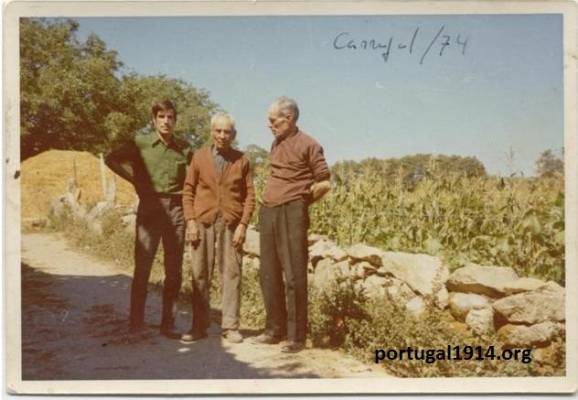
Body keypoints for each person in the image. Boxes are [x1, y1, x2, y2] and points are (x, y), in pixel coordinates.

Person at [105, 100, 191, 339]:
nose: (166, 121)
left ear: (176, 120)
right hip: (150, 209)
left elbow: (194, 178)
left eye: (170, 117)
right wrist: (136, 180)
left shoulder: (184, 148)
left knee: (174, 272)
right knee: (143, 268)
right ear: (154, 120)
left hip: (176, 211)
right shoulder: (140, 143)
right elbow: (111, 159)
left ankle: (168, 325)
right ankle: (136, 324)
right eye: (161, 116)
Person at [253, 97, 331, 353]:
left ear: (289, 119)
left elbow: (324, 182)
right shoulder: (276, 142)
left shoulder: (309, 144)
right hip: (269, 210)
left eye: (273, 121)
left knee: (294, 275)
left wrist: (302, 202)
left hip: (292, 211)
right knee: (268, 272)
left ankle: (296, 337)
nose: (269, 125)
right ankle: (274, 330)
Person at [181, 112, 255, 343]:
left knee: (231, 273)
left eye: (227, 131)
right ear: (211, 132)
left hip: (230, 222)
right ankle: (199, 325)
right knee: (200, 272)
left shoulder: (242, 160)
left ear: (234, 134)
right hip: (203, 220)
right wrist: (191, 221)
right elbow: (188, 190)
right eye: (218, 131)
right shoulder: (199, 157)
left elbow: (250, 195)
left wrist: (243, 224)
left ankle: (230, 326)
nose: (222, 135)